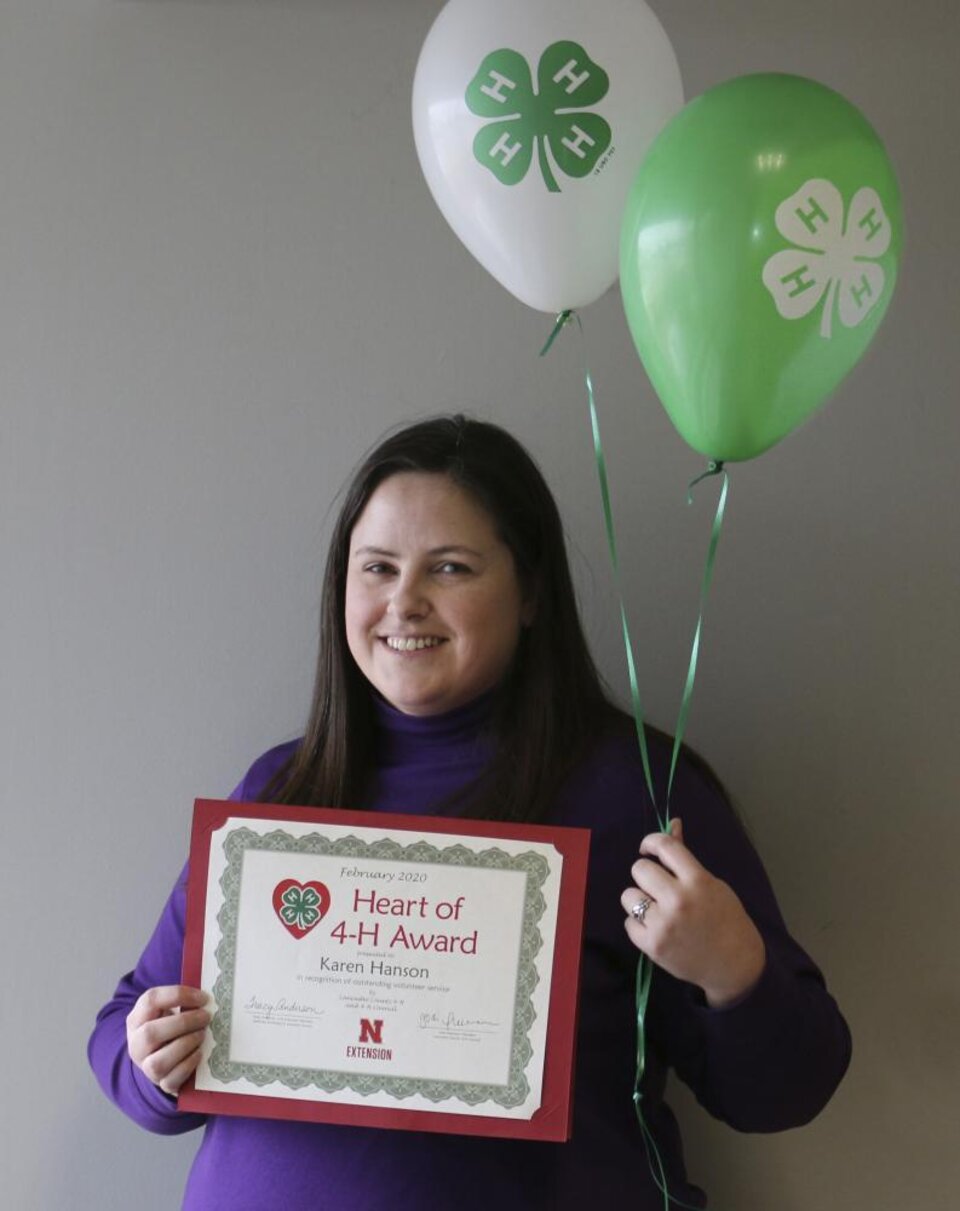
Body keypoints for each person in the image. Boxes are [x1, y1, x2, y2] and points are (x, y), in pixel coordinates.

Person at [89, 415, 851, 1210]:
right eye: (377, 567)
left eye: (449, 568)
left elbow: (788, 1092)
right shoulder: (282, 787)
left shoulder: (636, 792)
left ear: (529, 592)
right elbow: (121, 1025)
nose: (405, 601)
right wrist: (151, 1060)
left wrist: (735, 969)